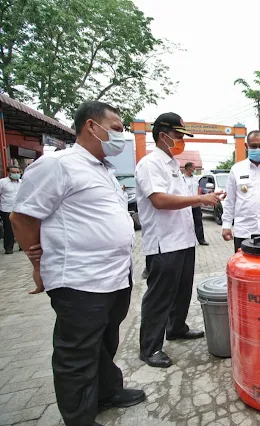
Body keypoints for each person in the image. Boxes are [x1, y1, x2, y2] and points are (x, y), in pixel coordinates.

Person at [10, 101, 145, 426]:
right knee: (77, 355)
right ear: (90, 126)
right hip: (78, 280)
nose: (121, 136)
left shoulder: (103, 170)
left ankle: (106, 392)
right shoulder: (58, 165)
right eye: (116, 128)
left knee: (105, 342)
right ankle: (79, 418)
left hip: (114, 276)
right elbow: (22, 216)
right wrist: (37, 264)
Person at [136, 112, 220, 368]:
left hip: (183, 240)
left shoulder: (173, 164)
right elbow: (159, 200)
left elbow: (181, 200)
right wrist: (200, 199)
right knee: (160, 295)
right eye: (178, 135)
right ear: (163, 135)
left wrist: (206, 197)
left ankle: (176, 328)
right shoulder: (151, 164)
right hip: (164, 243)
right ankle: (150, 347)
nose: (181, 140)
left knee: (182, 291)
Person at [183, 161, 208, 246]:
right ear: (189, 168)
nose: (195, 169)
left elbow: (198, 189)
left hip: (196, 204)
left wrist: (200, 200)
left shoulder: (195, 178)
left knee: (198, 221)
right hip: (186, 204)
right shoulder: (182, 179)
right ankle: (188, 240)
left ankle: (201, 239)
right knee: (187, 222)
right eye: (193, 168)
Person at [0, 165, 22, 254]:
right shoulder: (2, 182)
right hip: (7, 209)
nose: (16, 174)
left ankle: (22, 245)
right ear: (8, 173)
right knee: (8, 230)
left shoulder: (22, 182)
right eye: (13, 172)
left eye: (17, 172)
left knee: (21, 228)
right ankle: (9, 248)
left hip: (20, 209)